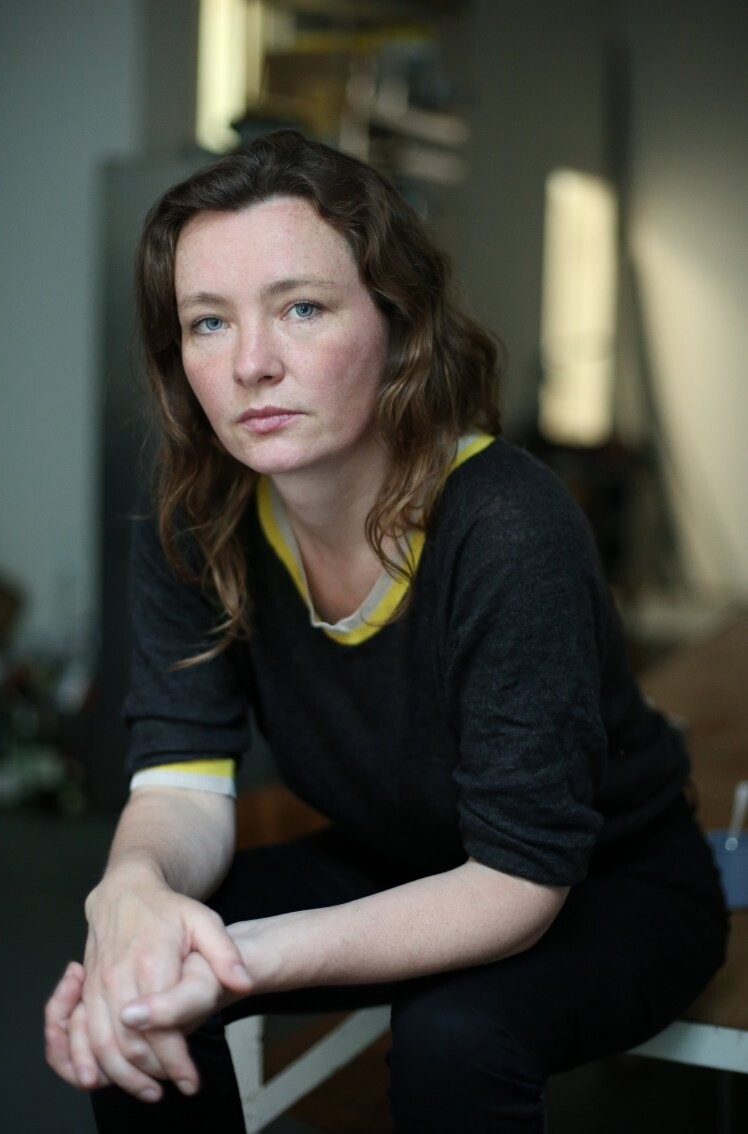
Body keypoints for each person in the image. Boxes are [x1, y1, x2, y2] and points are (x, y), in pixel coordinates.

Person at [44, 130, 727, 1133]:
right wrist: (132, 894)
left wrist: (233, 963)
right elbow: (181, 784)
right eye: (207, 323)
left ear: (397, 325)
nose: (252, 365)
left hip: (602, 884)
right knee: (141, 973)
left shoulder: (505, 526)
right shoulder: (195, 513)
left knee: (452, 1034)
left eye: (302, 308)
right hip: (392, 853)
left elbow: (516, 881)